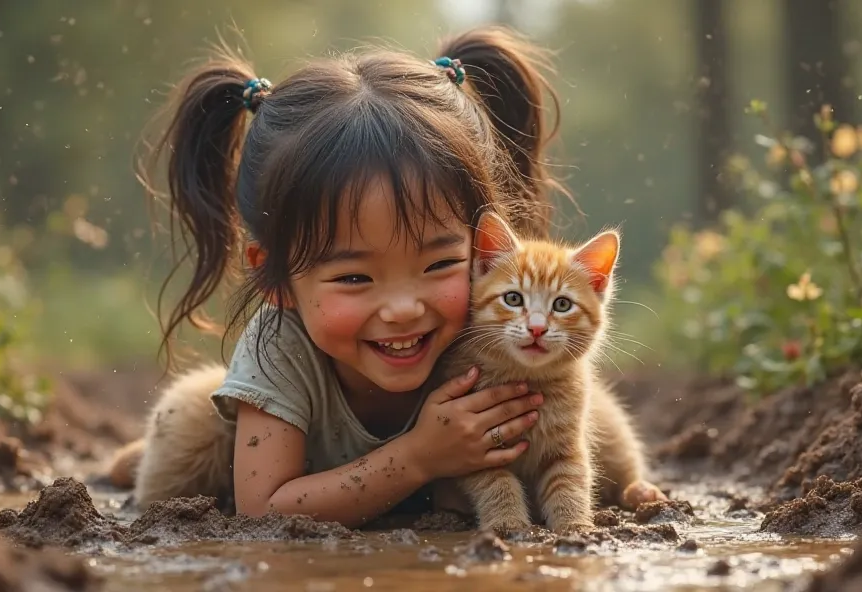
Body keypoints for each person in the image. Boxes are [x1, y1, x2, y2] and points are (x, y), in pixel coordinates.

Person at [117, 25, 567, 528]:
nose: (404, 308)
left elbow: (572, 429)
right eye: (355, 278)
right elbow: (263, 509)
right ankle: (145, 458)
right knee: (187, 421)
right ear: (276, 279)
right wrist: (420, 457)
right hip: (277, 466)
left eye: (440, 264)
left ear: (483, 255)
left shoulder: (488, 323)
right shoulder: (278, 350)